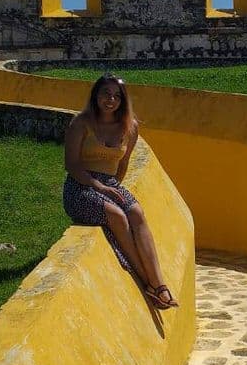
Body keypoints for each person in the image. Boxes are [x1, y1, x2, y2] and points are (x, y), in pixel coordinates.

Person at [63, 74, 178, 308]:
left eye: (117, 96)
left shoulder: (130, 127)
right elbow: (72, 165)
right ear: (96, 95)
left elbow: (122, 165)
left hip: (110, 183)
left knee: (136, 213)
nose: (110, 99)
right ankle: (149, 283)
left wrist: (112, 187)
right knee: (116, 215)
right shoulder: (80, 123)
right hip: (80, 185)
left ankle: (159, 282)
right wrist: (99, 187)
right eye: (106, 93)